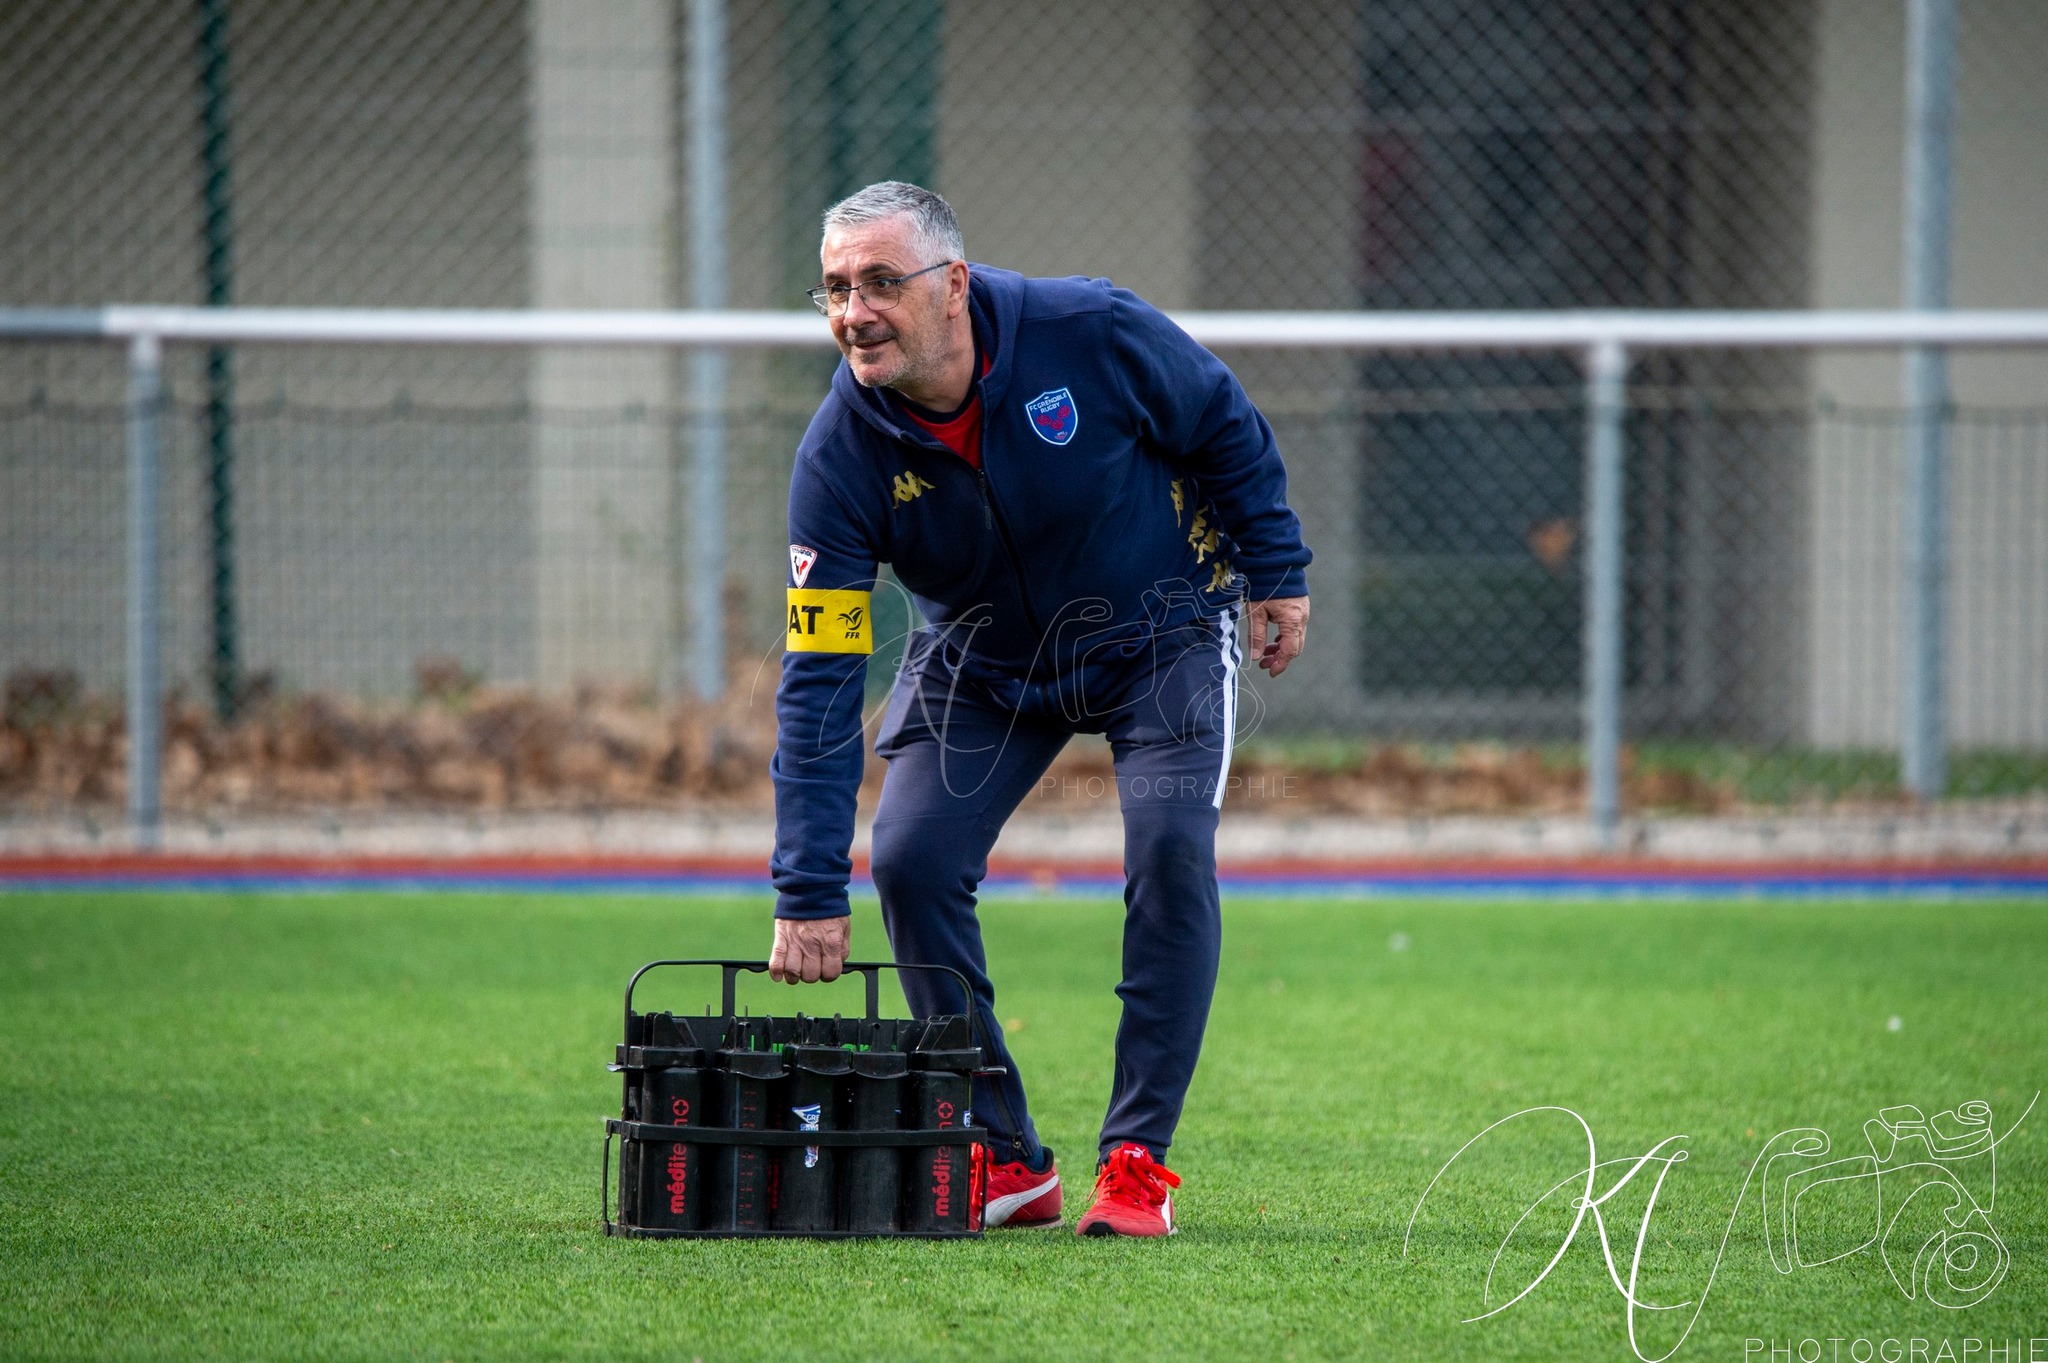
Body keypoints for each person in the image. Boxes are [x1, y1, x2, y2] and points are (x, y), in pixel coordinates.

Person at [766, 181, 1311, 1237]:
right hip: (980, 660)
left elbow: (1221, 422)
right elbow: (820, 675)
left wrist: (1276, 569)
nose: (853, 312)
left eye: (880, 282)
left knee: (1169, 849)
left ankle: (1136, 1159)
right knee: (911, 859)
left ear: (953, 284)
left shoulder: (1089, 328)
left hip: (1161, 629)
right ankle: (1005, 1154)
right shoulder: (837, 457)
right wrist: (806, 883)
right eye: (834, 288)